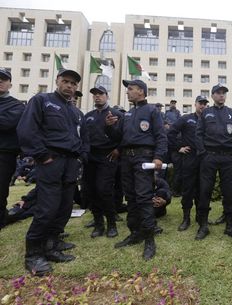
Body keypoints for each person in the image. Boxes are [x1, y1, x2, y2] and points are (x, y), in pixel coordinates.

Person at [17, 68, 89, 276]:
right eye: (66, 81)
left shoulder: (76, 112)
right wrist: (42, 155)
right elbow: (27, 129)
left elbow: (83, 138)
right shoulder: (42, 100)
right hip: (51, 160)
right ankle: (33, 255)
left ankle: (51, 245)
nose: (69, 86)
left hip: (70, 163)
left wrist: (81, 157)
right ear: (57, 81)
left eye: (73, 84)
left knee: (65, 206)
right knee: (47, 208)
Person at [105, 79, 167, 260]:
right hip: (126, 158)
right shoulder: (128, 114)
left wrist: (158, 157)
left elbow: (161, 136)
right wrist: (110, 127)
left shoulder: (153, 111)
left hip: (143, 157)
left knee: (143, 197)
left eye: (130, 89)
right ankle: (135, 233)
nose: (127, 92)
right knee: (130, 196)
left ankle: (149, 239)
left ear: (141, 91)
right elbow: (119, 137)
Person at [195, 83, 232, 240]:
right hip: (210, 157)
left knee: (230, 192)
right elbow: (198, 134)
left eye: (224, 93)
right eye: (219, 93)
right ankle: (203, 226)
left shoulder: (231, 113)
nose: (222, 95)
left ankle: (230, 226)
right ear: (213, 95)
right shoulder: (206, 113)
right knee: (205, 190)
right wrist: (203, 154)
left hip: (228, 158)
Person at [83, 85, 123, 238]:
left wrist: (118, 149)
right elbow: (84, 137)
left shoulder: (116, 114)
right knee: (91, 190)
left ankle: (112, 223)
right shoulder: (88, 116)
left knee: (104, 190)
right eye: (94, 94)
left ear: (107, 96)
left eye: (100, 94)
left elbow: (124, 136)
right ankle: (98, 223)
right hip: (90, 157)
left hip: (108, 156)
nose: (97, 96)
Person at [168, 95, 208, 231]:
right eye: (200, 103)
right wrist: (178, 147)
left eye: (204, 103)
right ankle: (186, 218)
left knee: (202, 190)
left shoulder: (209, 120)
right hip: (189, 158)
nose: (202, 106)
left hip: (204, 159)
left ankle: (200, 217)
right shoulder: (186, 118)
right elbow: (171, 132)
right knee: (188, 189)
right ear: (195, 104)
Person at [0, 68, 25, 229]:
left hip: (4, 154)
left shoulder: (16, 105)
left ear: (10, 84)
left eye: (3, 79)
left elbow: (6, 123)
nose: (0, 81)